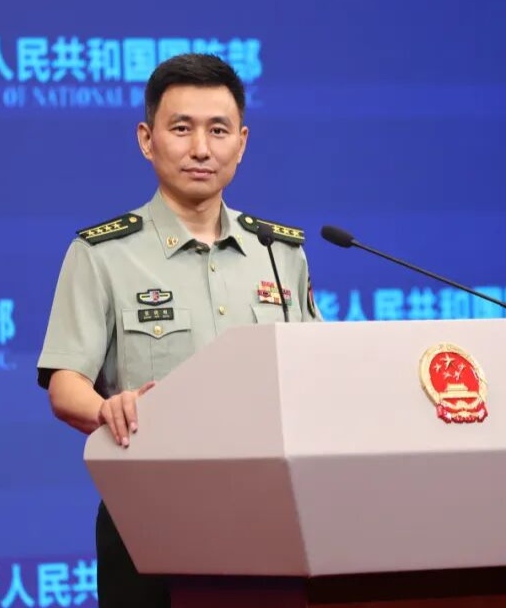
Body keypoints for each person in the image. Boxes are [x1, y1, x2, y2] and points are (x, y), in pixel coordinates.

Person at [35, 53, 324, 608]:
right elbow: (65, 385)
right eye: (182, 128)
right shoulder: (102, 254)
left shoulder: (279, 252)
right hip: (151, 513)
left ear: (242, 142)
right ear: (147, 140)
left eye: (218, 130)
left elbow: (314, 371)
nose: (201, 149)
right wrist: (108, 410)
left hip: (271, 513)